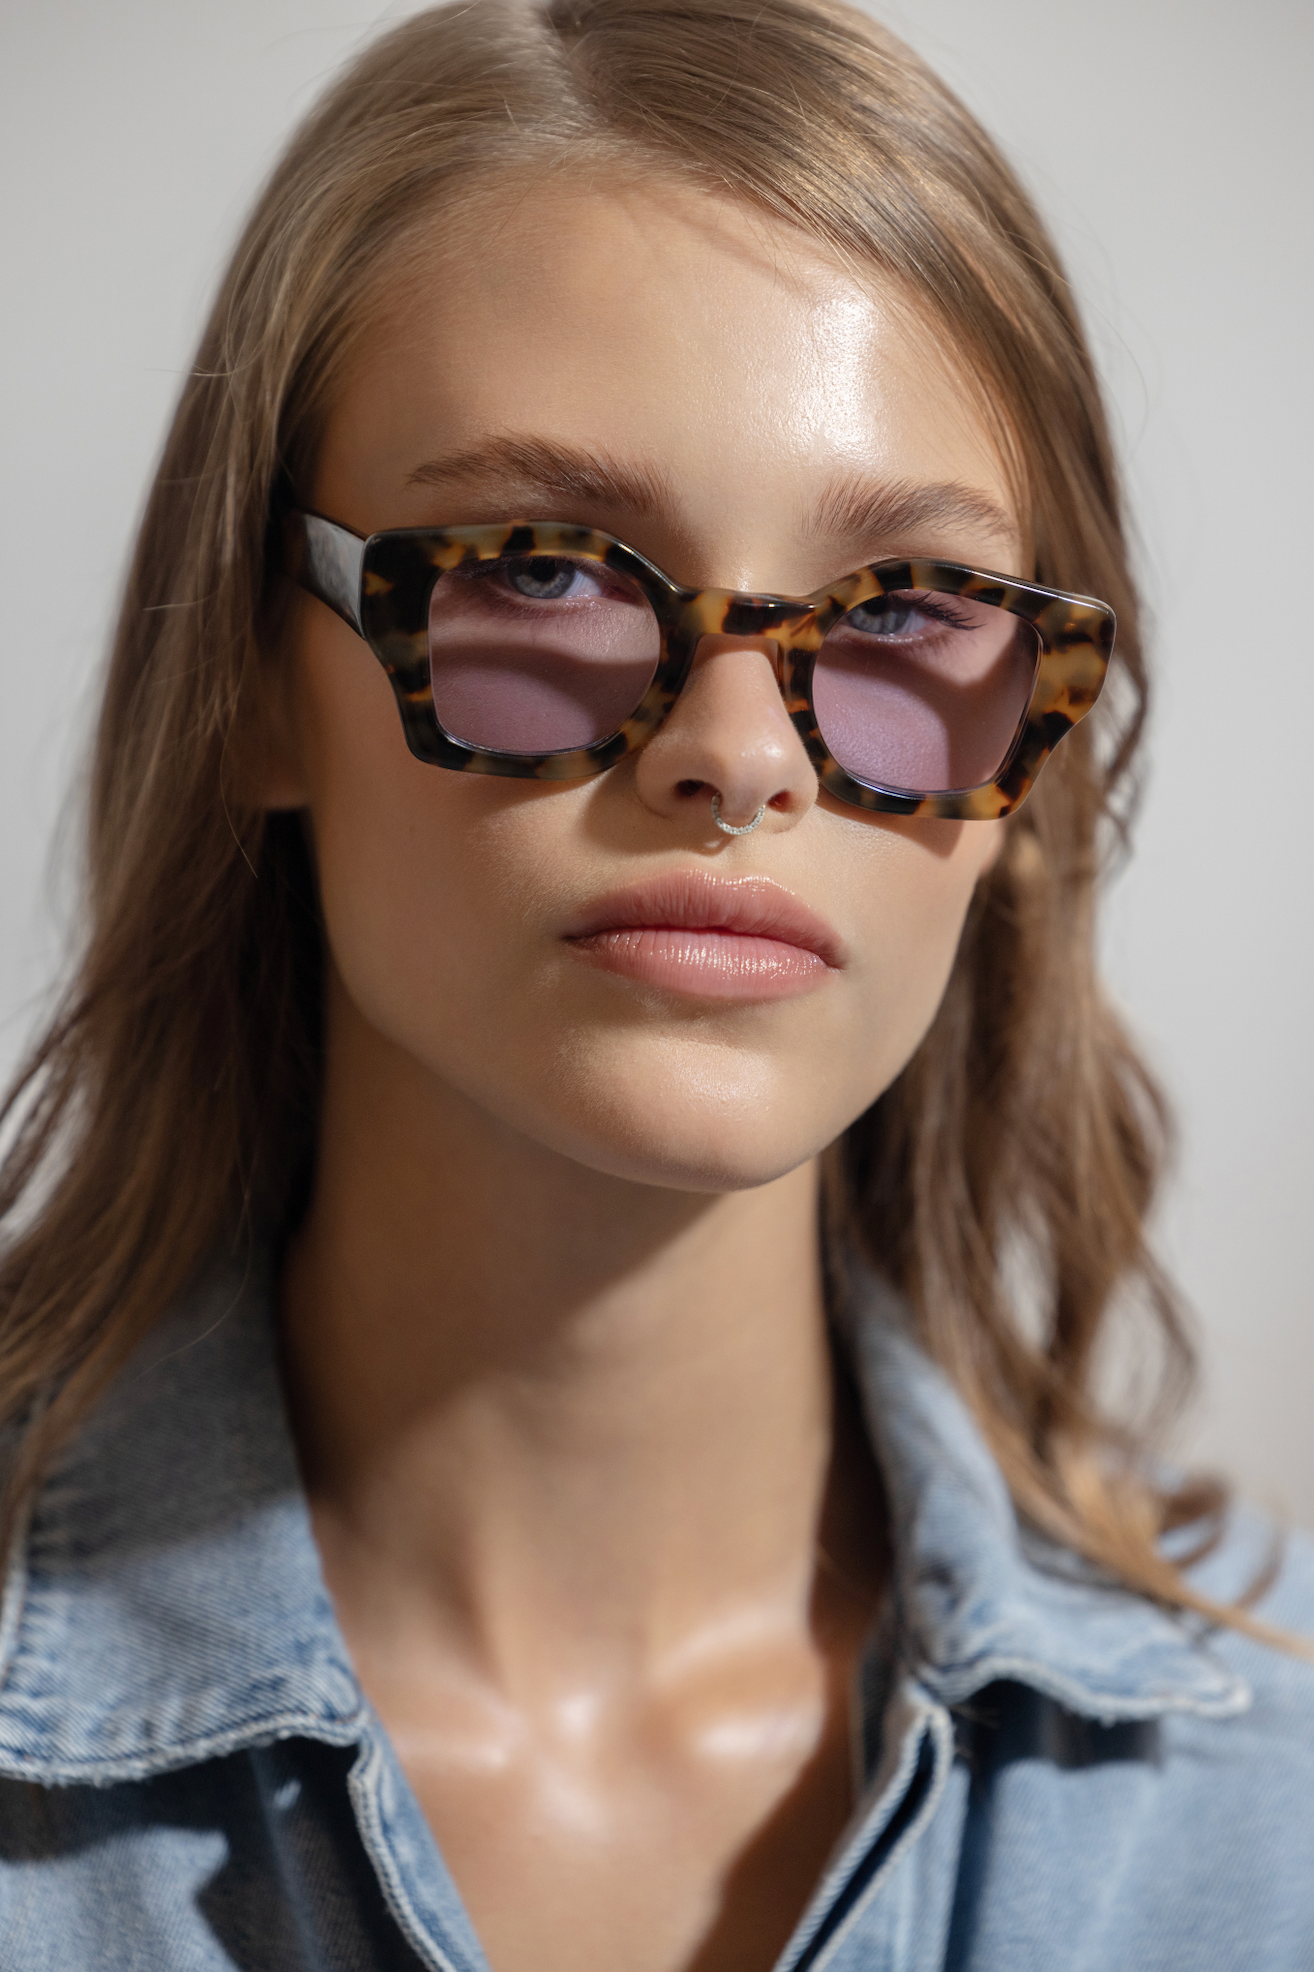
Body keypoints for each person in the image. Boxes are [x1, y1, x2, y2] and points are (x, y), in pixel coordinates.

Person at [0, 0, 1311, 1966]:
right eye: (545, 571)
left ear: (1031, 764)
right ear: (260, 676)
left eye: (916, 614)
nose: (740, 752)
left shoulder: (1267, 1786)